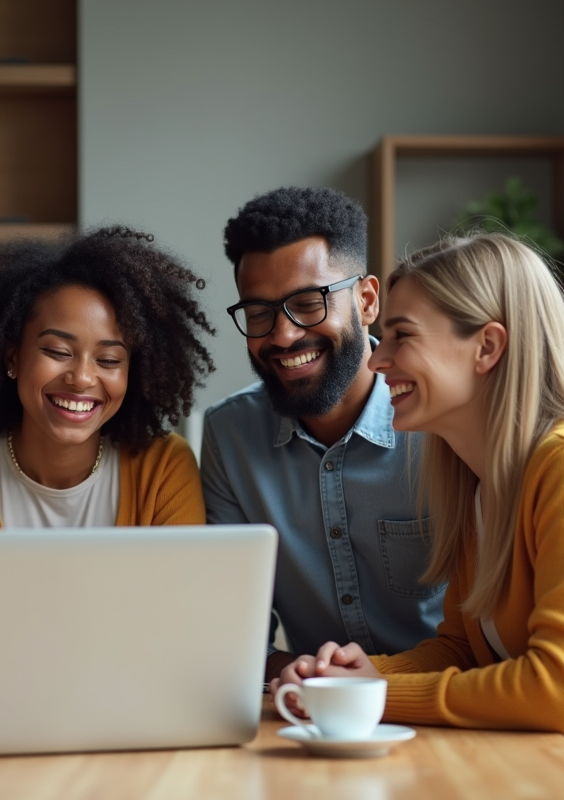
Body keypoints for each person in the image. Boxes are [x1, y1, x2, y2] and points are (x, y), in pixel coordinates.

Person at [279, 234, 564, 797]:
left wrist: (372, 696)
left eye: (402, 336)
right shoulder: (479, 481)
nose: (376, 358)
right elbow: (465, 652)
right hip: (555, 770)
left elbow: (562, 694)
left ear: (487, 347)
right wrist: (354, 676)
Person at [0, 227, 215, 655]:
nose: (81, 378)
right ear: (12, 357)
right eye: (58, 352)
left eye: (109, 359)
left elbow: (180, 625)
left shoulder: (164, 468)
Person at [202, 187, 443, 682]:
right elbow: (232, 629)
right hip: (317, 710)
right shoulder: (229, 436)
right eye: (259, 313)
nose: (283, 335)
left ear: (367, 300)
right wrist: (291, 670)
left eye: (308, 304)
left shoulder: (440, 424)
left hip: (450, 702)